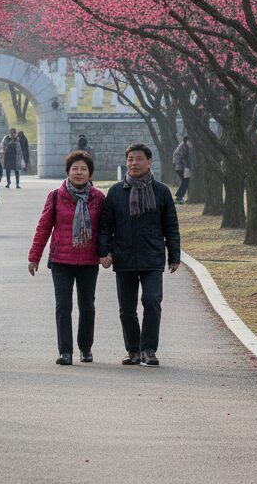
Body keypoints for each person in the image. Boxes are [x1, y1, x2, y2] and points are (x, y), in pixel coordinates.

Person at [99, 142, 181, 367]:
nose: (134, 163)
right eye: (130, 159)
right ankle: (133, 350)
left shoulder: (161, 191)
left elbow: (171, 225)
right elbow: (106, 225)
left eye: (138, 159)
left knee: (152, 301)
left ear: (149, 162)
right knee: (127, 308)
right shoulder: (116, 191)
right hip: (123, 257)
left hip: (152, 256)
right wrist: (104, 252)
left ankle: (149, 349)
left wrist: (174, 255)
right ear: (126, 162)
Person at [28, 149, 106, 366]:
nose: (79, 173)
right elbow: (43, 228)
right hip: (61, 261)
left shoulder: (98, 198)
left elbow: (106, 229)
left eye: (83, 169)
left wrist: (107, 253)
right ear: (68, 172)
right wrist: (34, 256)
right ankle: (65, 351)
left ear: (90, 173)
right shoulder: (55, 196)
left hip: (89, 261)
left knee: (87, 306)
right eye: (75, 169)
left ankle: (85, 347)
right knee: (63, 306)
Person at [171, 136, 191, 203]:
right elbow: (183, 158)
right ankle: (179, 197)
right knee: (186, 181)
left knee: (185, 181)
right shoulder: (184, 147)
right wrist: (187, 168)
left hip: (179, 167)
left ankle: (179, 197)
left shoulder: (182, 145)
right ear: (187, 140)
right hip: (181, 167)